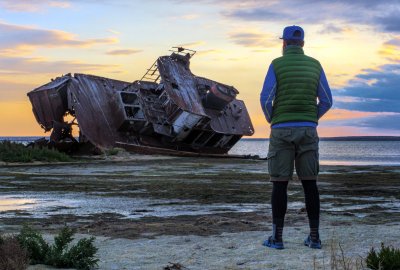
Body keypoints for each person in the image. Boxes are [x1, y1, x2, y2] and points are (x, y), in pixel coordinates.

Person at [260, 25, 333, 249]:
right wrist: (312, 118)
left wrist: (274, 119)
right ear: (302, 44)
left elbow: (265, 99)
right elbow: (327, 101)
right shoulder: (315, 65)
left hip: (281, 129)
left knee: (279, 184)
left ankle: (277, 238)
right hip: (308, 130)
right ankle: (314, 237)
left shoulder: (276, 64)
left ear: (284, 43)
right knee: (310, 184)